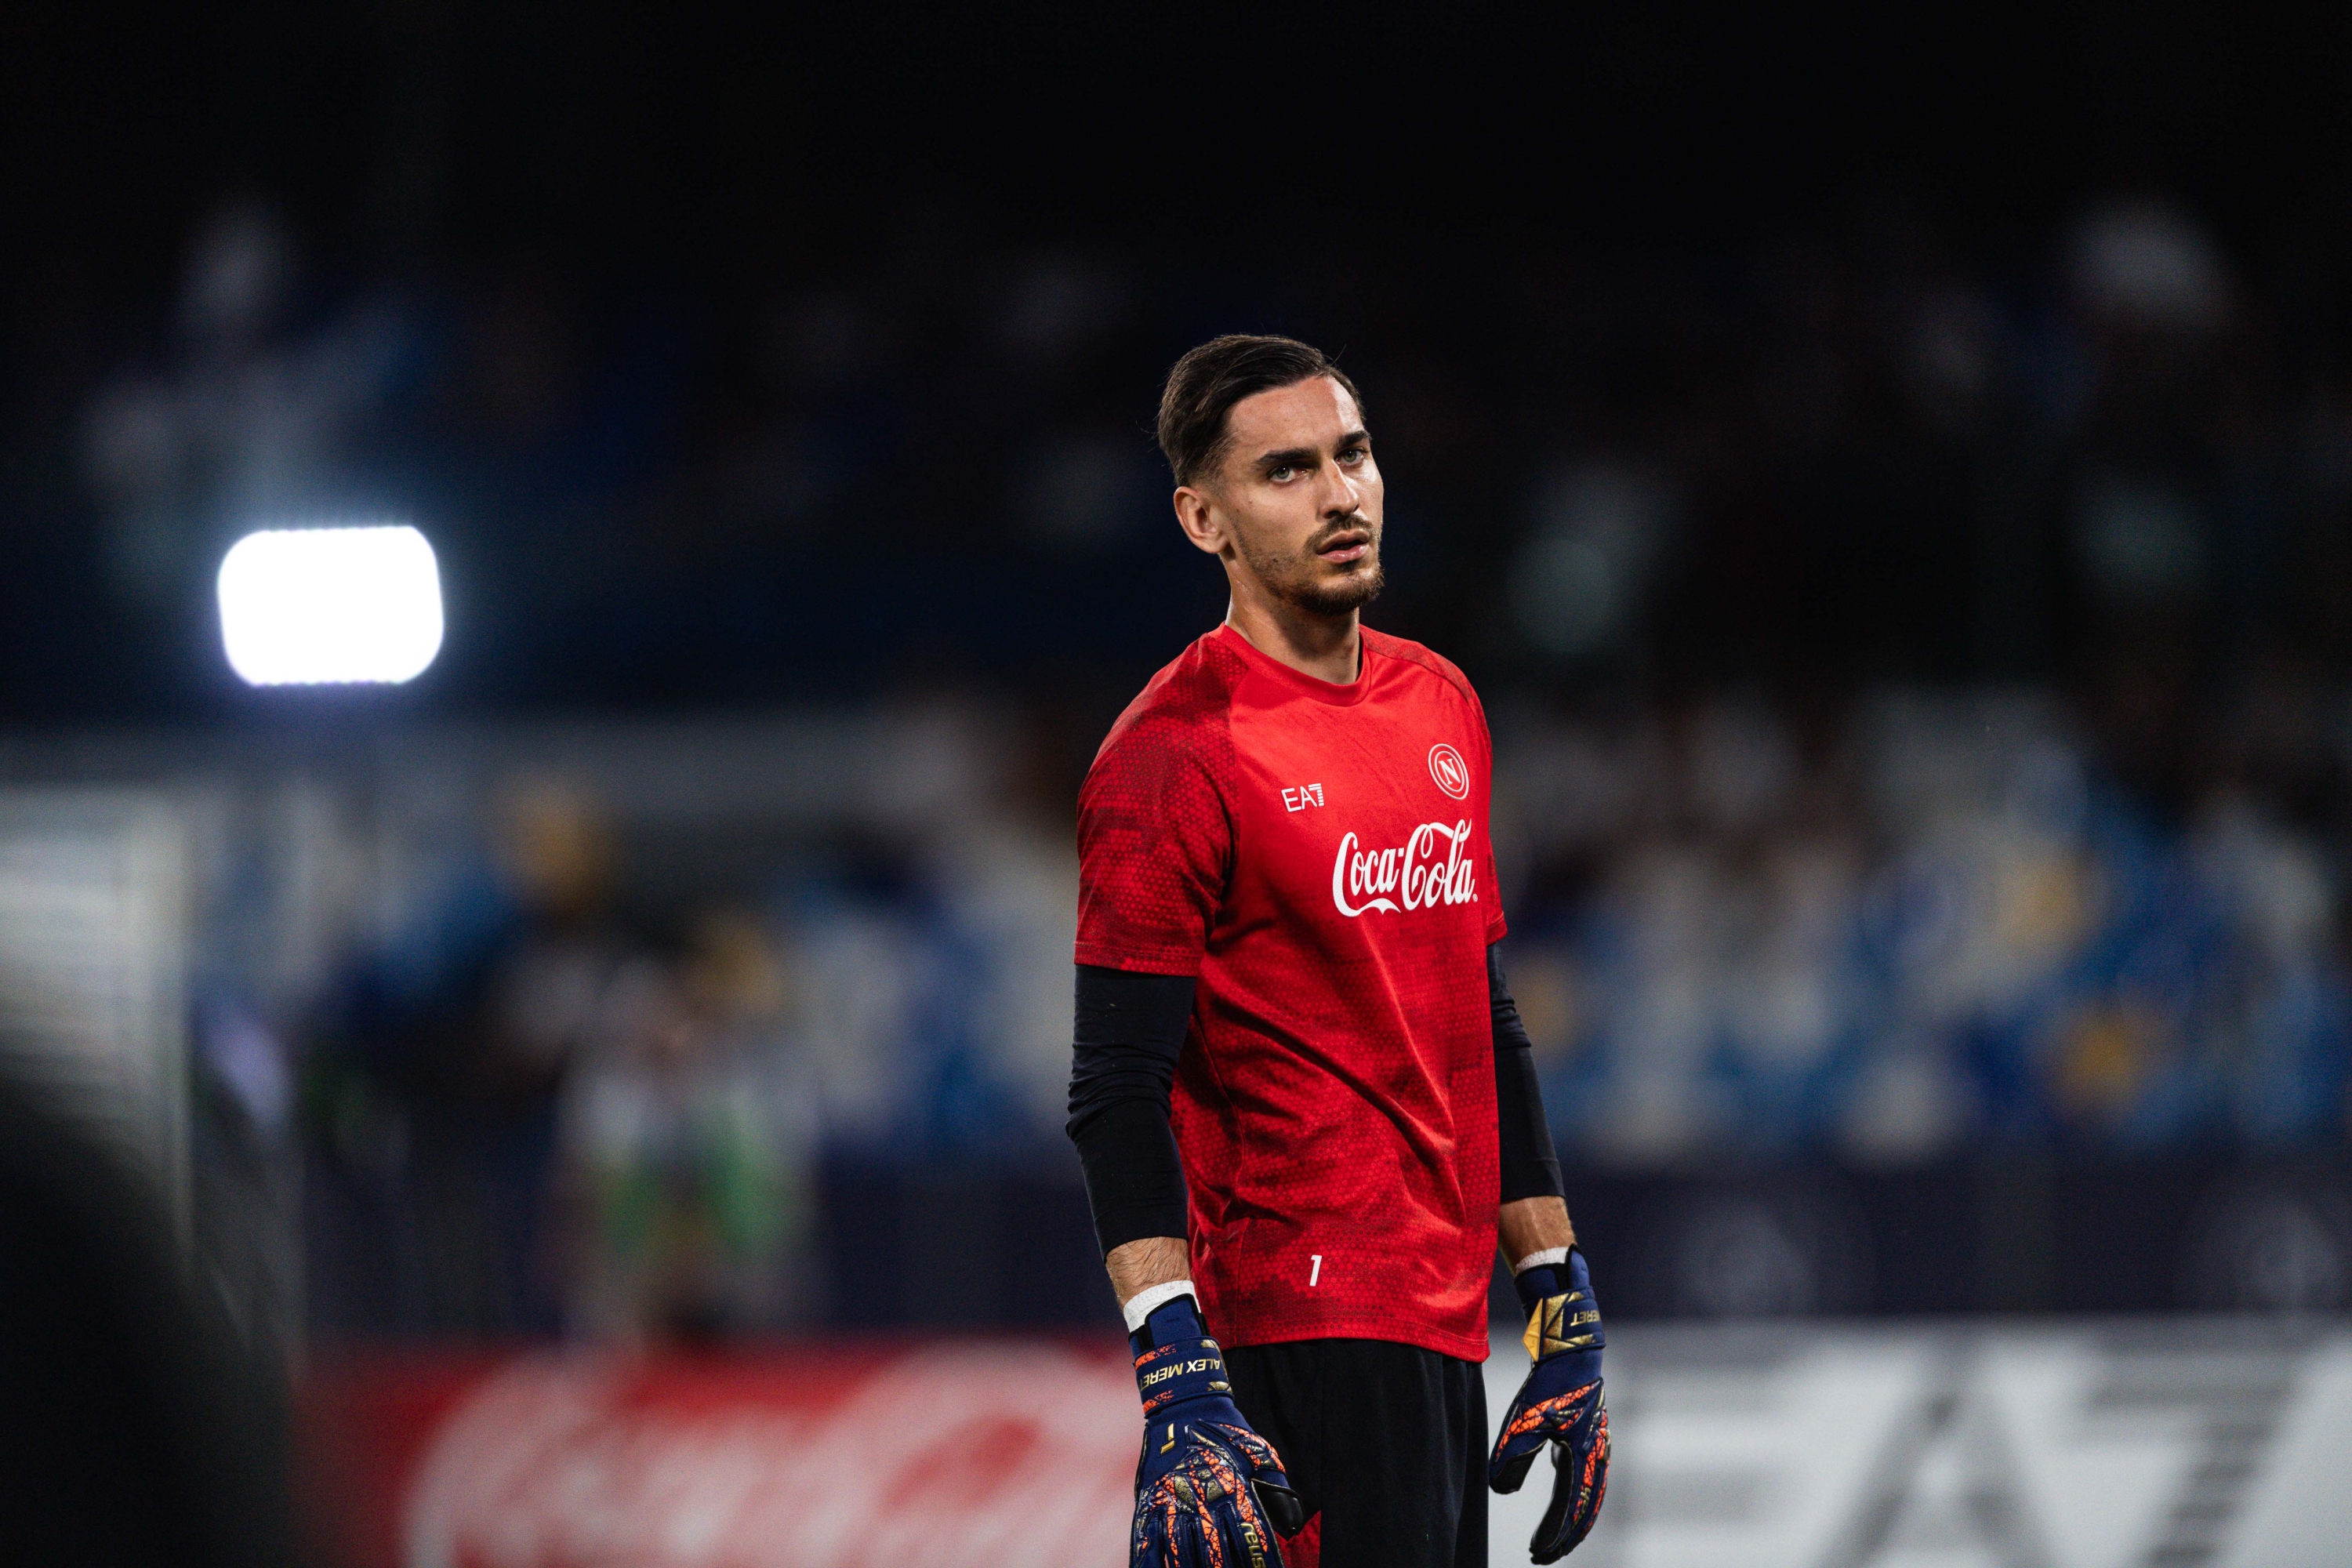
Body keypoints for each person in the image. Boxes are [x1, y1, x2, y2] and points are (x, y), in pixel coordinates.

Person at [1067, 336, 1609, 1568]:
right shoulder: (1172, 755)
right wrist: (1175, 1365)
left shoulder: (1442, 704)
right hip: (1291, 1334)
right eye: (1287, 471)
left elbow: (1485, 1022)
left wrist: (1559, 1297)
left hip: (1441, 1322)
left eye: (1353, 455)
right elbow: (1114, 1092)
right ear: (1203, 519)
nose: (1340, 494)